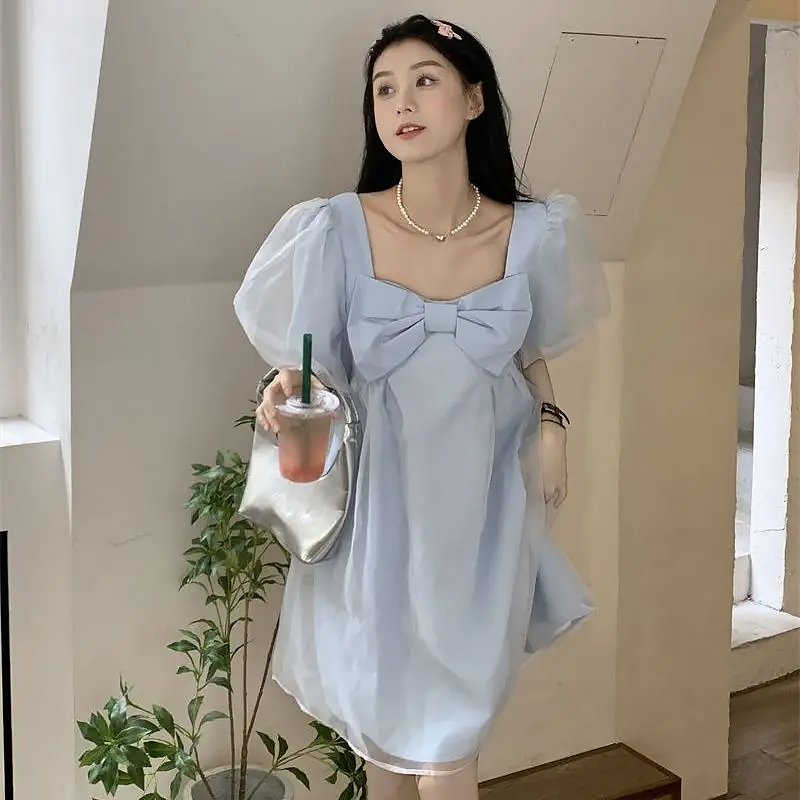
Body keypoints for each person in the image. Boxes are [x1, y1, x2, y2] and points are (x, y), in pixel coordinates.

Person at [233, 13, 610, 800]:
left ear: (474, 99)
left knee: (448, 742)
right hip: (378, 515)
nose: (401, 102)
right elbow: (312, 365)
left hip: (483, 510)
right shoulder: (334, 228)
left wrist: (553, 426)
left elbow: (528, 353)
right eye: (383, 89)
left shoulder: (535, 232)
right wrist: (283, 385)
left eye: (424, 80)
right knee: (390, 735)